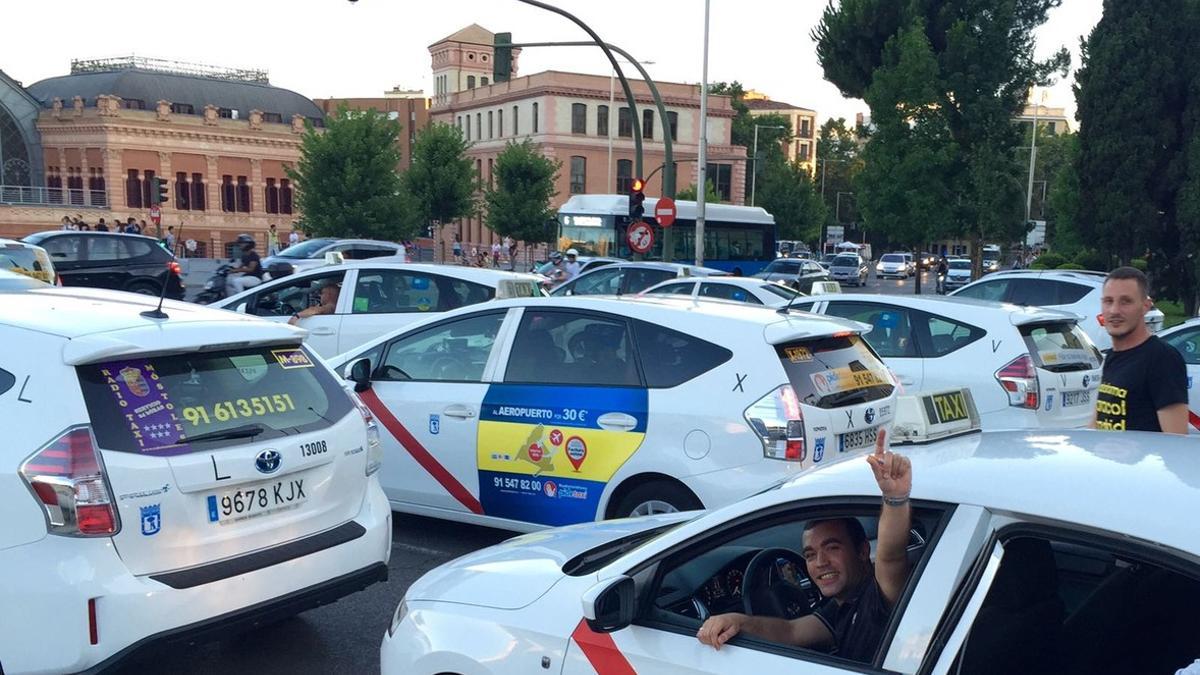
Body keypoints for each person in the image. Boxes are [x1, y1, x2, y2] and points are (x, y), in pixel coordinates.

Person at [697, 430, 911, 662]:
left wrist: (895, 499)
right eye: (810, 555)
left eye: (832, 548)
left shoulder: (879, 596)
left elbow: (891, 557)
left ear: (862, 551)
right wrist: (737, 621)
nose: (820, 563)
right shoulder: (842, 604)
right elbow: (791, 632)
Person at [1092, 266, 1188, 433]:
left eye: (1126, 301)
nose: (1114, 310)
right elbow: (1096, 424)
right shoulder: (1113, 356)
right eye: (1108, 301)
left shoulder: (1163, 359)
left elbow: (1176, 440)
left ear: (1145, 306)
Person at [225, 234, 264, 298]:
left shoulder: (253, 255)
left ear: (248, 244)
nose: (240, 245)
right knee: (231, 281)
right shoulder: (244, 256)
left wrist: (236, 270)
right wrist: (231, 269)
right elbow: (240, 267)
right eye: (240, 243)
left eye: (242, 243)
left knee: (237, 281)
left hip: (255, 278)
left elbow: (251, 269)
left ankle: (241, 298)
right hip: (248, 277)